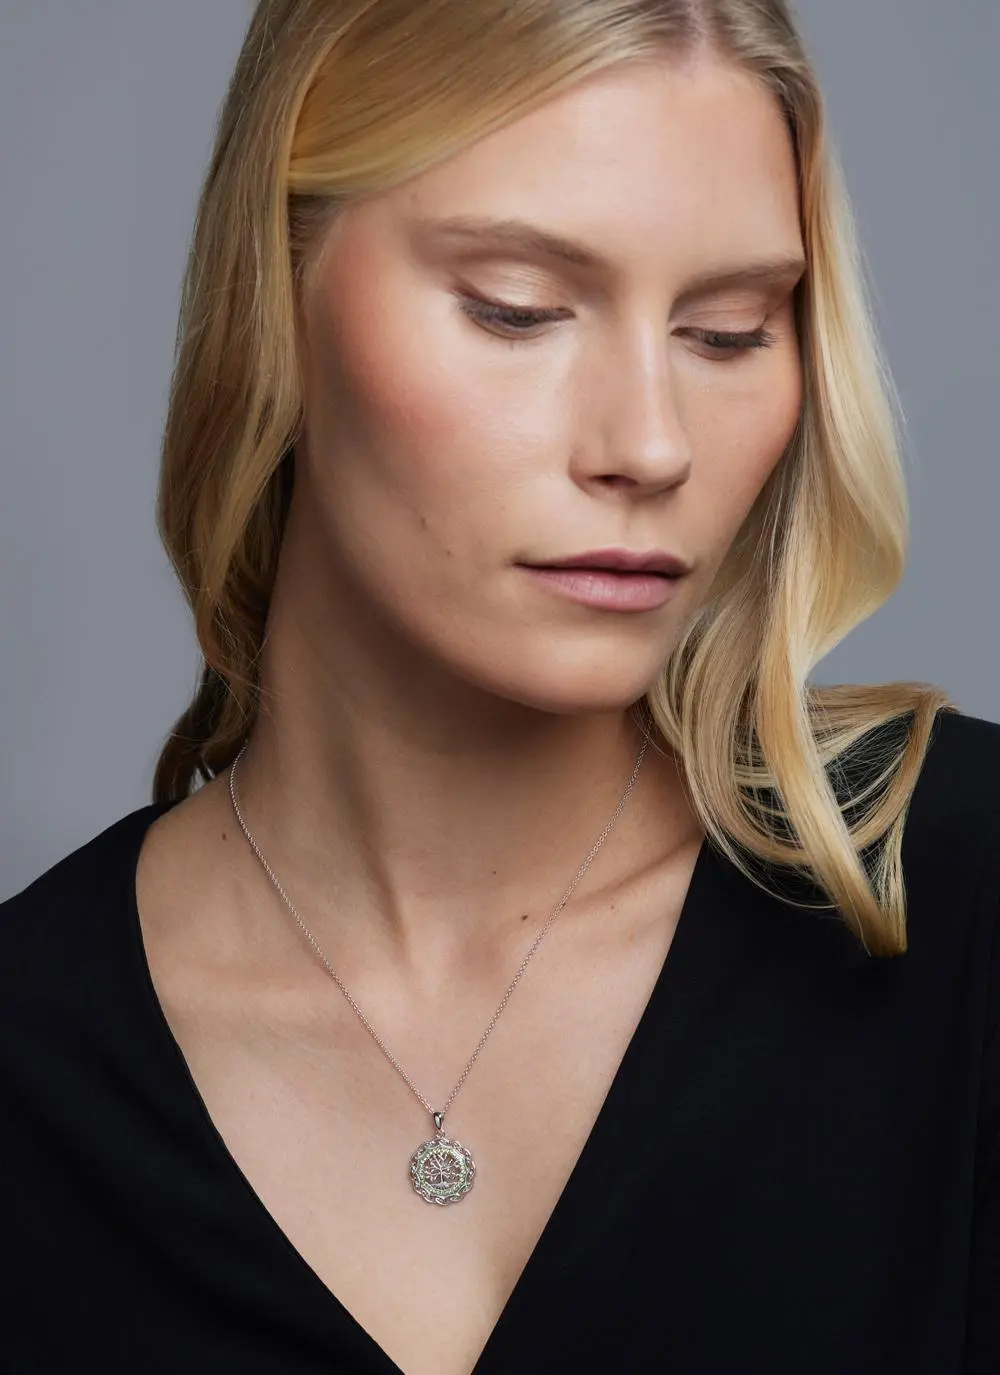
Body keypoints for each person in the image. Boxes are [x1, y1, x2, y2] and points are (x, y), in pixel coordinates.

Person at [3, 1, 998, 1371]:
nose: (650, 444)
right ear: (274, 289)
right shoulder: (31, 1057)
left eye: (727, 331)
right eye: (516, 309)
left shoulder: (965, 905)